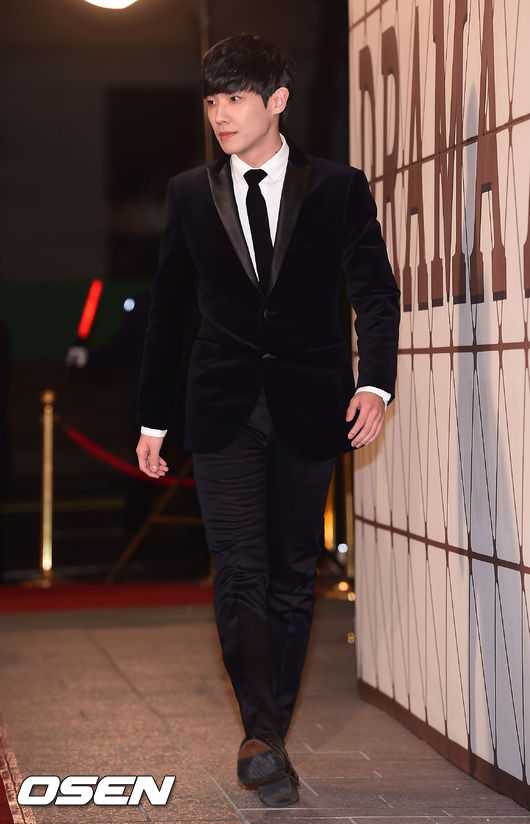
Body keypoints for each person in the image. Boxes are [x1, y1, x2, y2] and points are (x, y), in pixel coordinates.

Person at [136, 33, 400, 808]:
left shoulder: (338, 188)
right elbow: (169, 312)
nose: (221, 114)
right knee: (239, 567)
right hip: (220, 408)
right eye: (212, 100)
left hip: (312, 405)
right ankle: (260, 733)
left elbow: (374, 292)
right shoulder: (190, 194)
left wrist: (375, 385)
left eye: (236, 98)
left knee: (291, 575)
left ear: (277, 101)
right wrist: (154, 420)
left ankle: (267, 737)